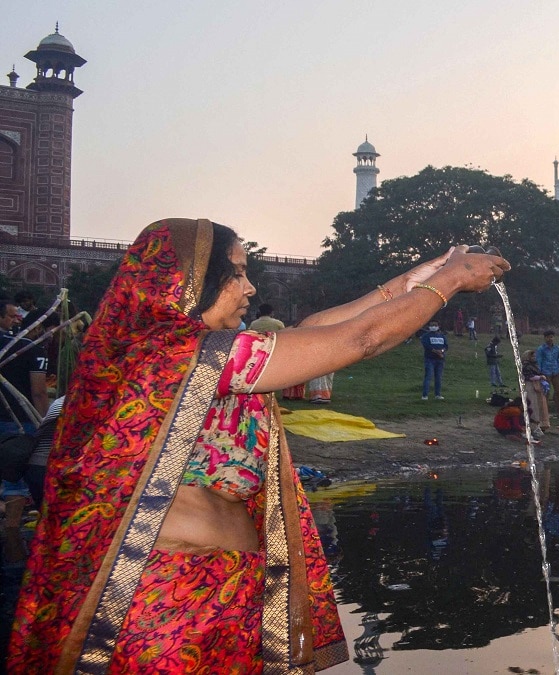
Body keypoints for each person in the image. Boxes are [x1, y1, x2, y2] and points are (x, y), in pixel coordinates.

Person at [6, 218, 508, 672]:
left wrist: (408, 284)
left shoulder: (203, 356)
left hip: (226, 591)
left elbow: (316, 333)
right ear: (189, 282)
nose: (250, 287)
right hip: (164, 597)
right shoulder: (168, 354)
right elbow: (360, 341)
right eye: (237, 273)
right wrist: (452, 282)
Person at [0, 299, 49, 435]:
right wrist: (46, 426)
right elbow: (39, 393)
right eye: (12, 316)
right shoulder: (31, 348)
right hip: (20, 423)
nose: (17, 321)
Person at [521, 350, 551, 436]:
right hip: (530, 387)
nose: (534, 358)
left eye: (534, 356)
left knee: (539, 405)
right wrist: (539, 377)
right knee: (532, 404)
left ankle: (541, 424)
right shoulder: (526, 366)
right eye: (532, 356)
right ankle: (532, 424)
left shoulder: (535, 365)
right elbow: (528, 376)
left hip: (537, 386)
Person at [420, 320, 449, 400]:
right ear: (429, 327)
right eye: (432, 325)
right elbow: (427, 346)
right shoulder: (426, 336)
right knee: (428, 376)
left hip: (440, 360)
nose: (434, 327)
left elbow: (446, 346)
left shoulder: (442, 336)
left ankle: (438, 394)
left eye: (435, 325)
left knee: (438, 377)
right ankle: (425, 395)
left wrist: (442, 351)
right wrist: (436, 352)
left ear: (438, 327)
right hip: (430, 359)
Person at [536, 331, 559, 414]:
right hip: (545, 372)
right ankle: (544, 412)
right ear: (545, 338)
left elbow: (558, 359)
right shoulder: (541, 349)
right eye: (548, 337)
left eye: (551, 337)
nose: (550, 339)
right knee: (546, 392)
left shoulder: (557, 348)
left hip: (556, 371)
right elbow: (539, 361)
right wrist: (539, 373)